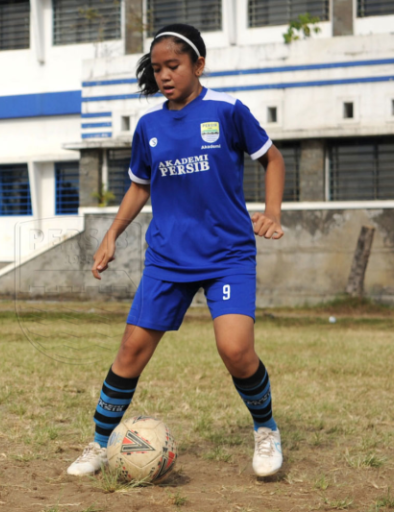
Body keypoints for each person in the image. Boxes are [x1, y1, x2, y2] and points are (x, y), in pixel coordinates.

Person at [67, 23, 287, 478]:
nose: (164, 75)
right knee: (131, 350)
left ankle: (266, 429)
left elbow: (272, 159)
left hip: (227, 255)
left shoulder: (228, 110)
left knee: (235, 351)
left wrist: (272, 213)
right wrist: (112, 235)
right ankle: (99, 443)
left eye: (174, 65)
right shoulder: (149, 126)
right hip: (168, 258)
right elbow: (139, 186)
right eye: (157, 68)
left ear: (198, 64)